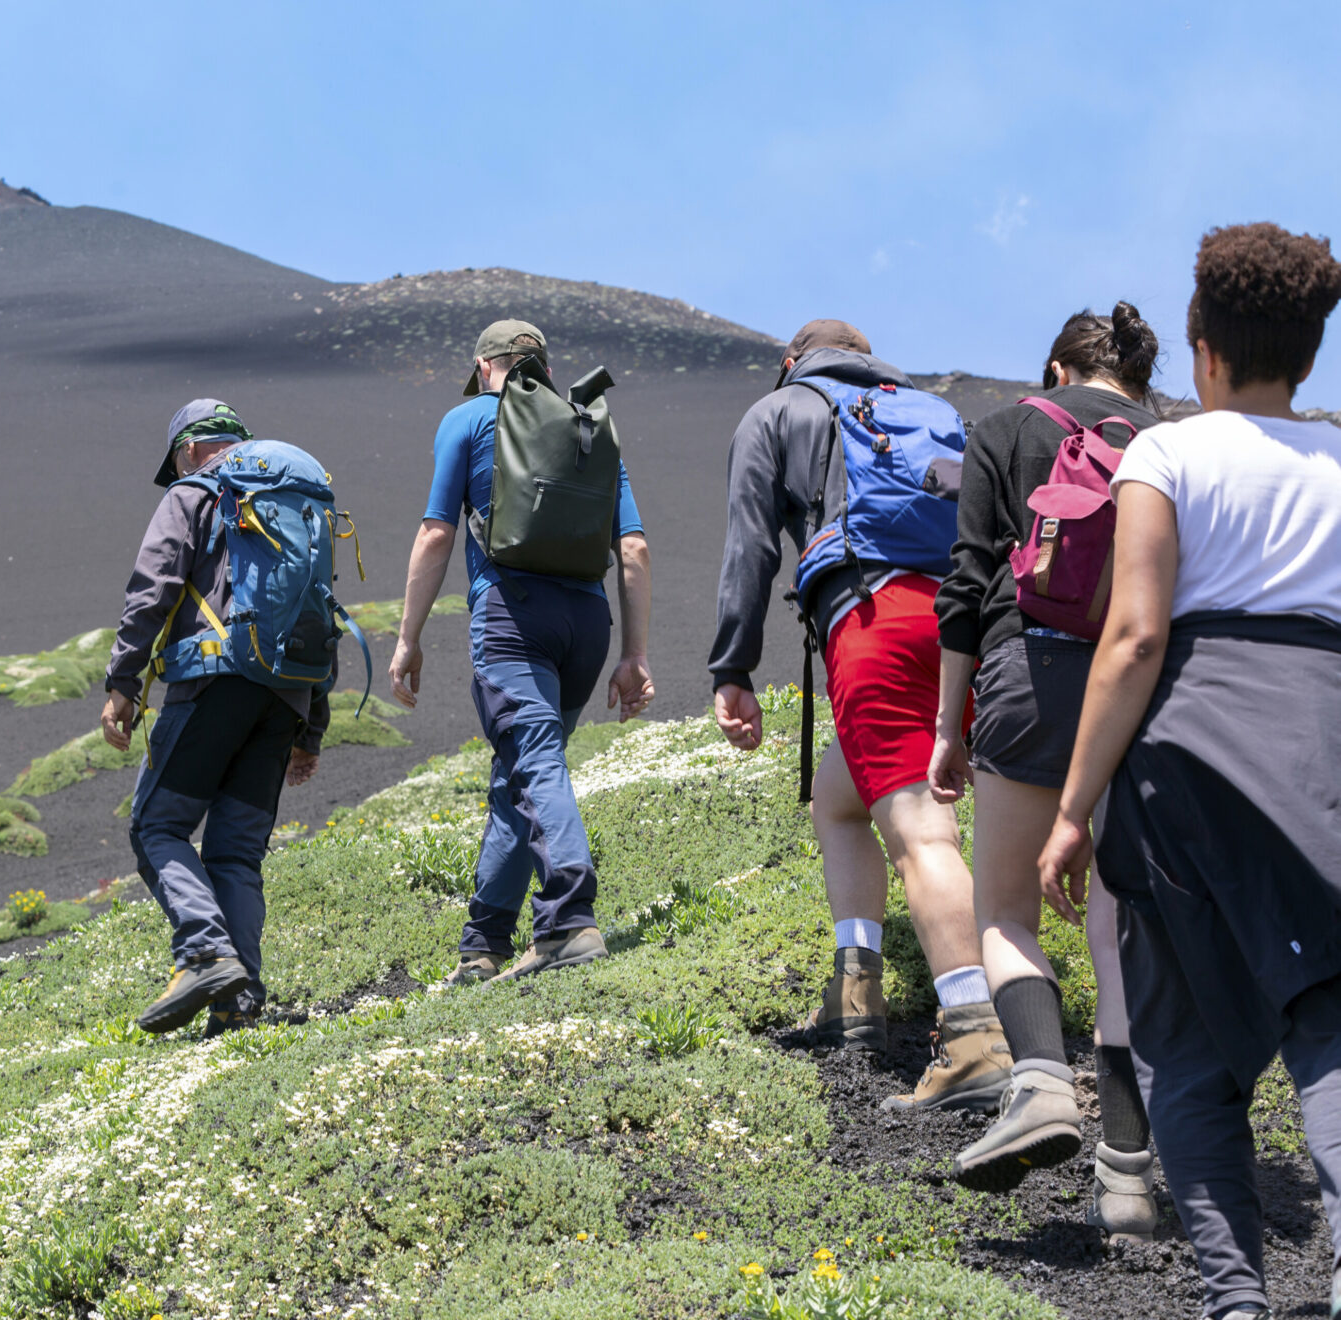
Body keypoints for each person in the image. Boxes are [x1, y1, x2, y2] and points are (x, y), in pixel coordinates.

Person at [1039, 224, 1341, 1320]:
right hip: (1324, 747)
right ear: (1309, 355)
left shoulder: (1163, 454)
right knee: (1329, 1016)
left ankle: (1236, 1300)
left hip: (1189, 756)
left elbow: (1133, 638)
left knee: (1187, 1047)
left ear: (1202, 345)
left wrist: (1073, 811)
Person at [710, 319, 1010, 1112]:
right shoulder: (922, 407)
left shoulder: (780, 411)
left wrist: (732, 668)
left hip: (872, 619)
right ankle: (856, 995)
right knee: (841, 799)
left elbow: (749, 543)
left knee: (921, 832)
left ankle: (977, 1036)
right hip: (957, 625)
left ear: (791, 359)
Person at [927, 305, 1161, 1230]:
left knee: (1009, 913)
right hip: (1141, 692)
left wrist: (952, 723)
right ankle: (1130, 1181)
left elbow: (967, 579)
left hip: (1026, 672)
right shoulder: (1168, 443)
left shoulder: (1004, 428)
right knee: (1121, 939)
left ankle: (1041, 1082)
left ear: (1058, 370)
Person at [389, 320, 655, 984]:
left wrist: (407, 638)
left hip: (513, 612)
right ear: (542, 367)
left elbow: (435, 534)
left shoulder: (470, 419)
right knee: (523, 769)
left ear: (485, 366)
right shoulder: (586, 424)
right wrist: (635, 654)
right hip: (587, 624)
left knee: (531, 760)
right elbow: (634, 549)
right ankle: (484, 946)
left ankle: (568, 919)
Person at [101, 399, 328, 1037]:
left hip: (213, 682)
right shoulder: (295, 502)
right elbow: (320, 614)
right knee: (234, 854)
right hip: (286, 697)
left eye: (176, 460)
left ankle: (203, 953)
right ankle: (240, 998)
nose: (177, 471)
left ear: (192, 449)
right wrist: (311, 729)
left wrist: (122, 683)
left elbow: (152, 589)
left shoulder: (193, 495)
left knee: (157, 826)